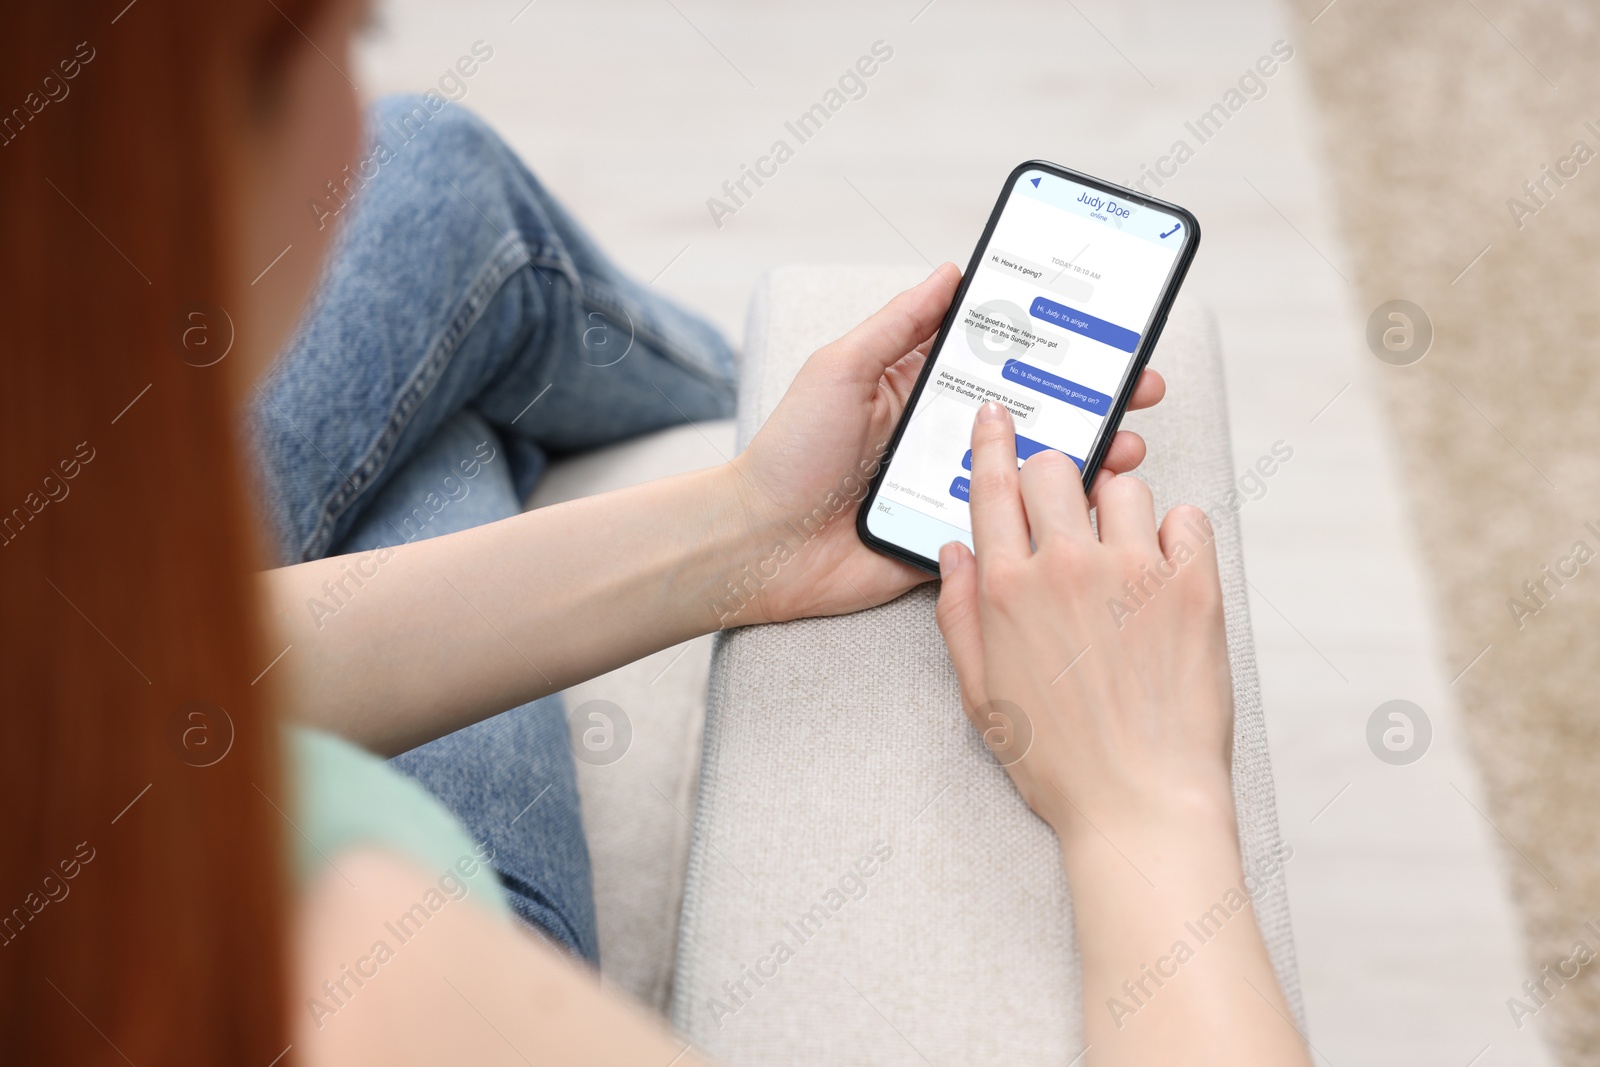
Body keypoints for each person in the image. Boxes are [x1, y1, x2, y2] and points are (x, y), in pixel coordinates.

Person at [0, 0, 1310, 1064]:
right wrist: (1151, 808)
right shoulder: (360, 973)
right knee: (454, 403)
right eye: (344, 26)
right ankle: (687, 388)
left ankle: (704, 419)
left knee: (438, 178)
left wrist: (748, 530)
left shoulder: (61, 651)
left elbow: (159, 682)